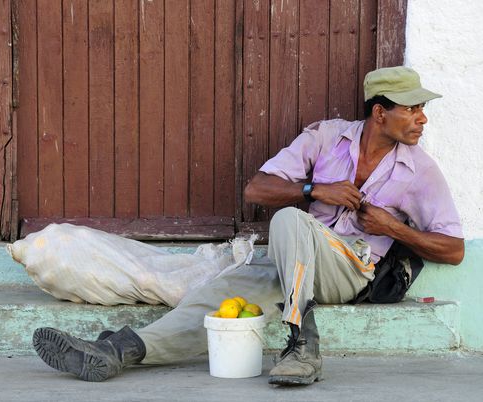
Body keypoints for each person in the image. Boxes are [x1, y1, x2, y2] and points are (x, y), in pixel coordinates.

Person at [31, 66, 464, 386]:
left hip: (352, 267)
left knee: (292, 222)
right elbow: (257, 190)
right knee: (216, 299)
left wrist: (394, 227)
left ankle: (302, 342)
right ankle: (116, 351)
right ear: (379, 113)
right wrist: (316, 189)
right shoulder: (327, 138)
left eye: (422, 109)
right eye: (412, 109)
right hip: (294, 266)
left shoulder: (419, 171)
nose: (422, 118)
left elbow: (454, 249)